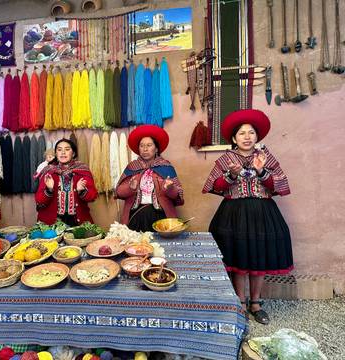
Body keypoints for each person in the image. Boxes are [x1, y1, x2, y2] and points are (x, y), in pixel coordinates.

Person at [202, 109, 293, 325]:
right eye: (242, 133)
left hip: (262, 213)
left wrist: (262, 172)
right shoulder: (227, 158)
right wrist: (232, 175)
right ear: (234, 138)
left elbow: (279, 185)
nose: (247, 136)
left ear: (257, 137)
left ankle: (256, 303)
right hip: (234, 214)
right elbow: (215, 186)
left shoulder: (265, 156)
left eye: (251, 132)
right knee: (238, 258)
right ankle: (240, 303)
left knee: (258, 258)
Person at [116, 125, 184, 232]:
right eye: (142, 146)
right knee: (136, 247)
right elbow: (119, 192)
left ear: (156, 149)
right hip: (135, 216)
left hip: (161, 217)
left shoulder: (166, 166)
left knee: (160, 247)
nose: (145, 149)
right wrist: (130, 187)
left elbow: (177, 194)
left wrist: (169, 188)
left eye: (149, 145)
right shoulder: (132, 167)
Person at [35, 138, 98, 226]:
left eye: (67, 149)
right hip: (51, 223)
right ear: (56, 154)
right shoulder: (48, 172)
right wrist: (49, 190)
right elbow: (39, 201)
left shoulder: (83, 170)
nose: (63, 152)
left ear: (73, 153)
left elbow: (92, 197)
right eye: (59, 150)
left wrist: (81, 191)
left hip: (77, 222)